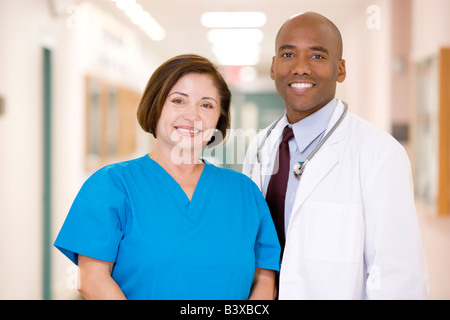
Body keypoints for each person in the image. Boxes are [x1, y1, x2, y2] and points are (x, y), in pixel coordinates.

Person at [54, 54, 280, 300]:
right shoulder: (111, 186)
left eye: (206, 105)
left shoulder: (244, 192)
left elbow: (265, 279)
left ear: (219, 119)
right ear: (155, 105)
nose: (192, 116)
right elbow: (93, 279)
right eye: (178, 101)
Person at [242, 12, 429, 299]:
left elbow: (397, 273)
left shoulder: (379, 153)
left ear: (340, 69)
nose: (301, 68)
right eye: (289, 54)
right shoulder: (259, 146)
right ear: (273, 66)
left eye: (317, 57)